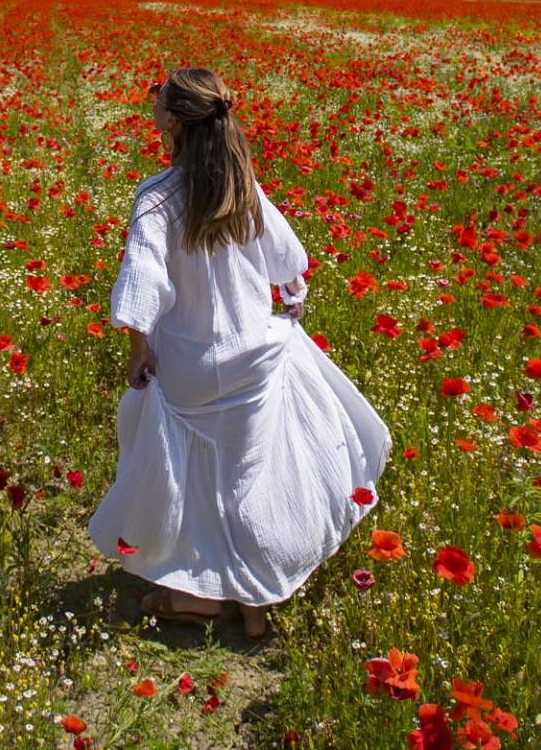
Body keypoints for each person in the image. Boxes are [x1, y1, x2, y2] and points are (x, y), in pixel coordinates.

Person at [87, 67, 392, 641]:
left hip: (190, 370)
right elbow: (289, 260)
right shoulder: (241, 185)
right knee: (251, 478)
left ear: (173, 121)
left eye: (158, 102)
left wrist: (138, 351)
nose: (152, 109)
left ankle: (197, 595)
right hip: (256, 358)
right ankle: (256, 600)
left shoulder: (157, 198)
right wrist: (292, 302)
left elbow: (143, 286)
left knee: (195, 475)